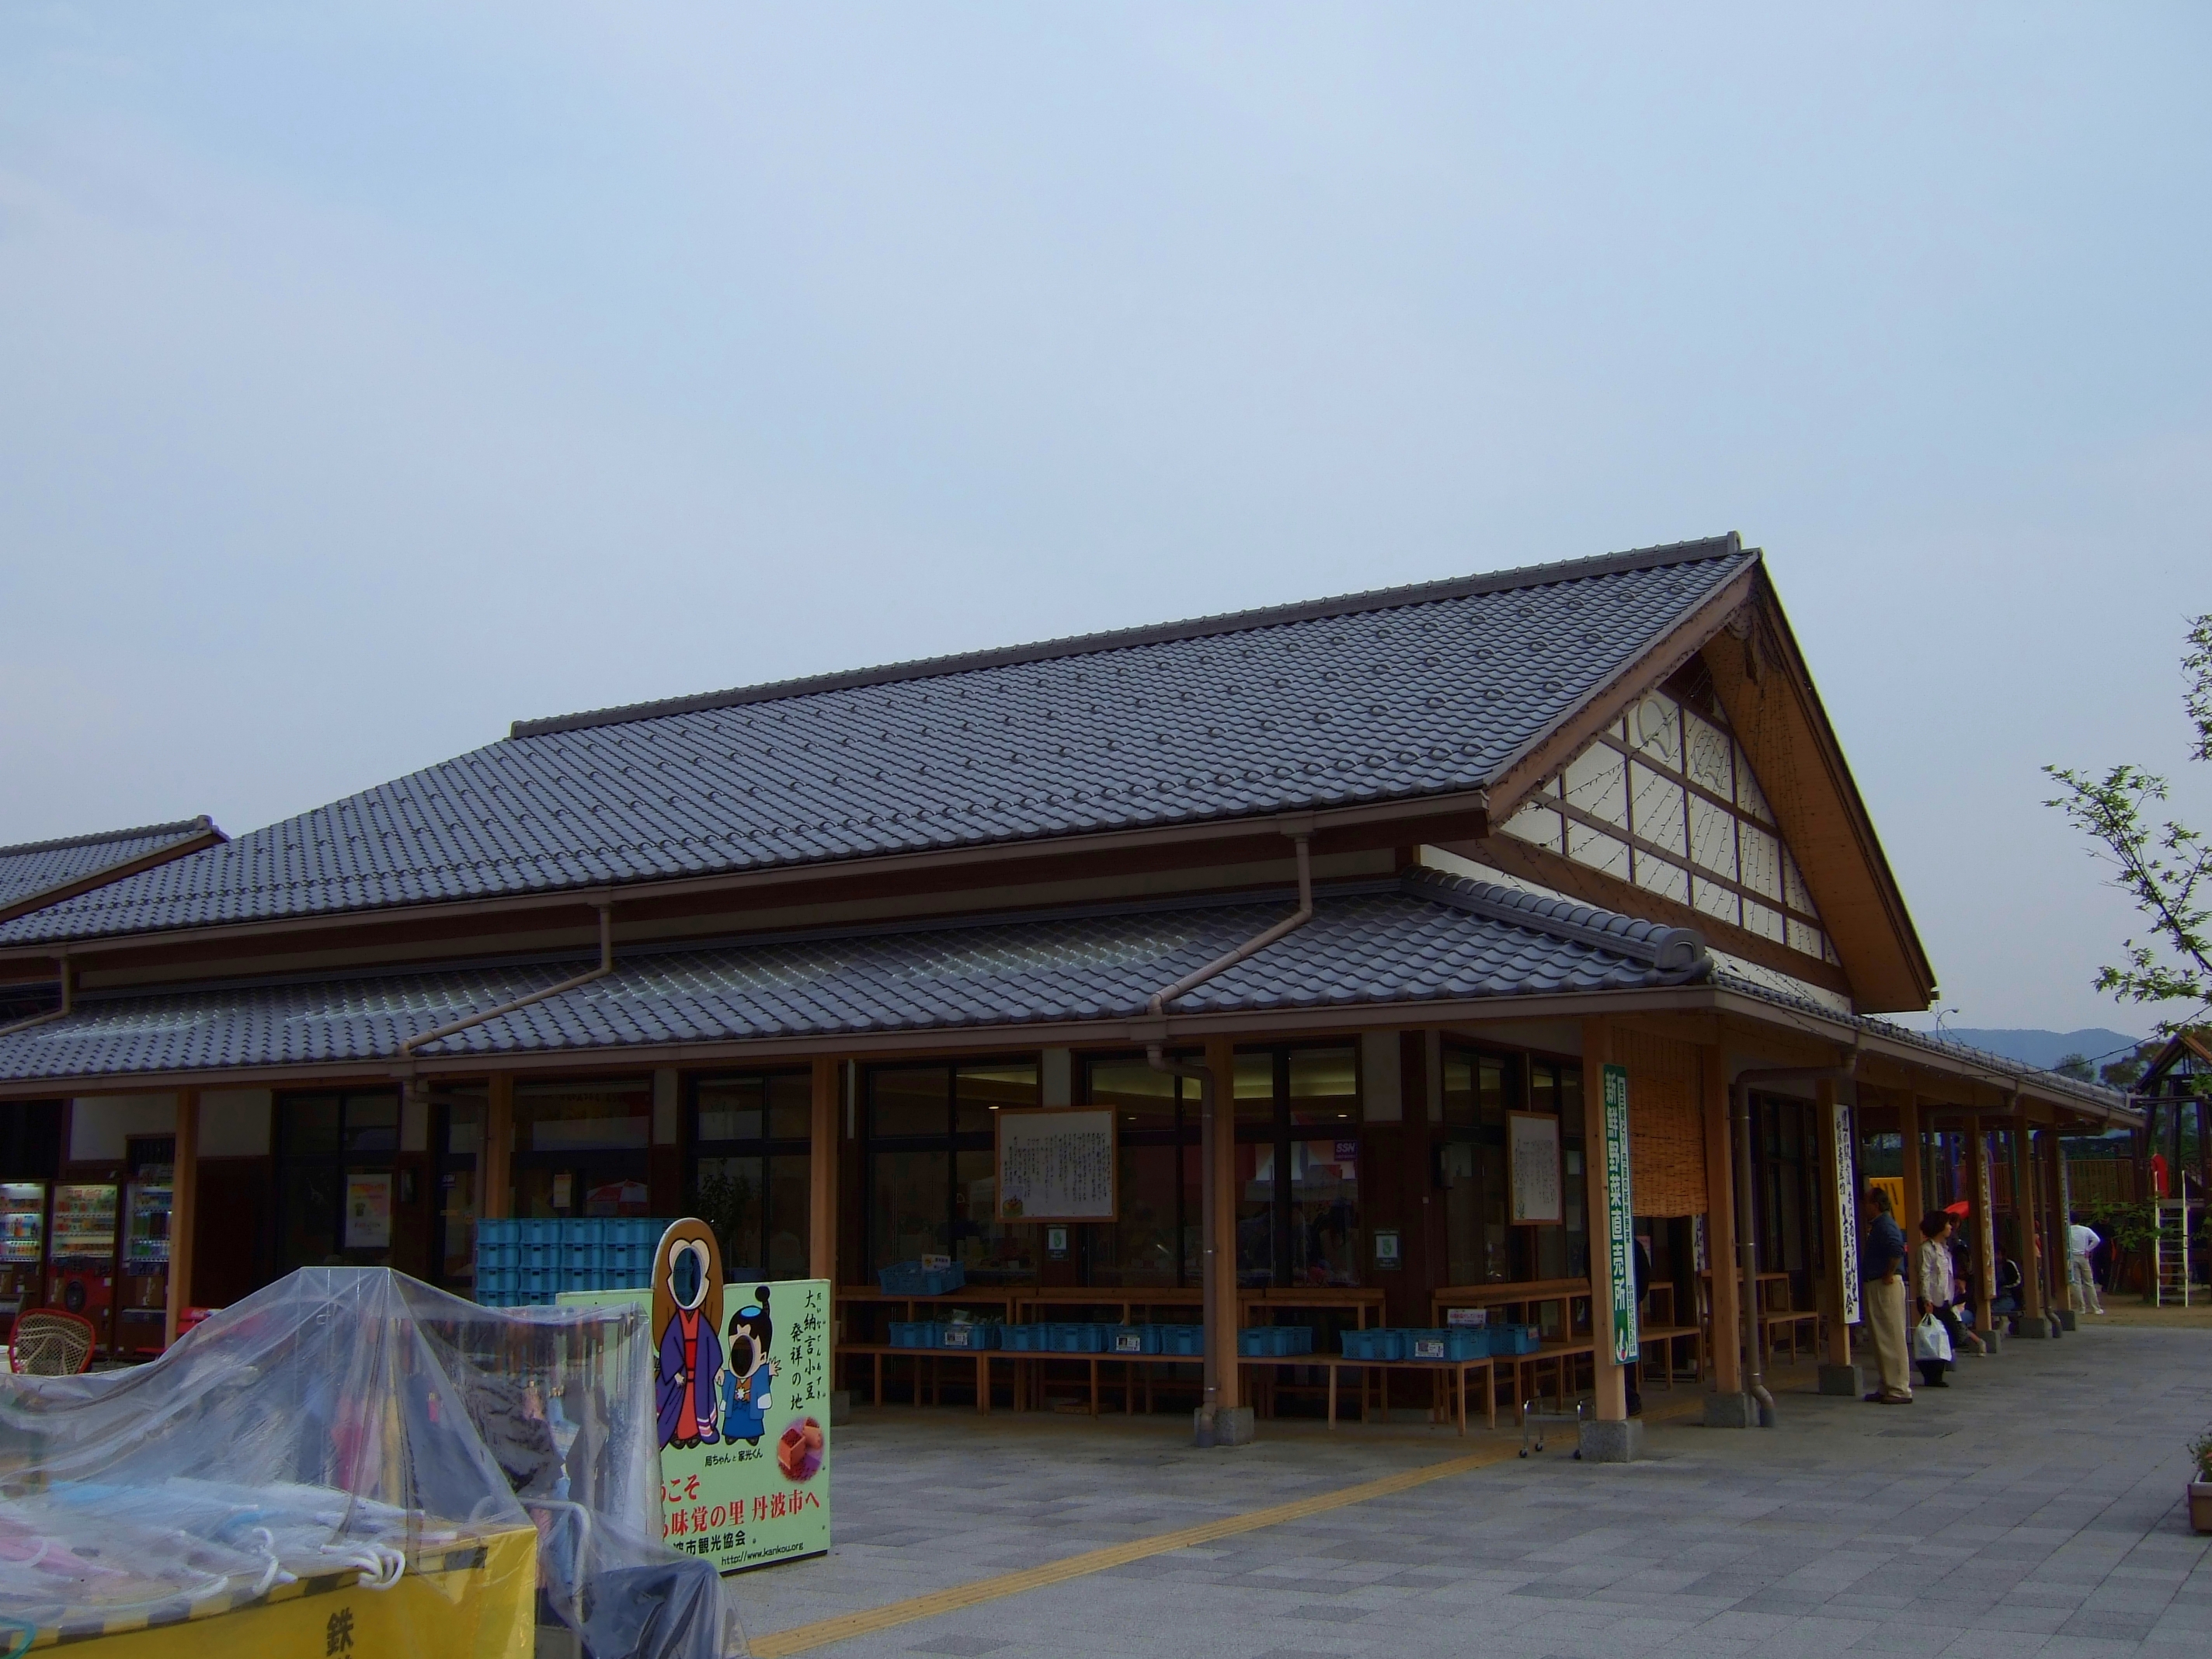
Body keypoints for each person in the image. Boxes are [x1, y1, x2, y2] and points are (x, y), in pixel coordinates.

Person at [1858, 1186, 1912, 1404]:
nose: (1864, 1207)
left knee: (1891, 1335)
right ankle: (1887, 1384)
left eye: (1867, 1203)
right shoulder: (1879, 1225)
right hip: (1876, 1283)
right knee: (1881, 1336)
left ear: (1876, 1205)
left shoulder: (1886, 1224)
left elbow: (1897, 1249)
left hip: (1885, 1284)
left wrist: (1889, 1272)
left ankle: (1899, 1388)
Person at [1915, 1211, 1980, 1386]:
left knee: (1949, 1335)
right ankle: (1932, 1374)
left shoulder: (1944, 1248)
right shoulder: (1926, 1249)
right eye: (1947, 1224)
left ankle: (1936, 1373)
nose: (1950, 1227)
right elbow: (1924, 1275)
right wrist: (1926, 1299)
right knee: (1936, 1336)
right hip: (1932, 1300)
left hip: (1945, 1299)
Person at [2067, 1218, 2107, 1314]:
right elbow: (2096, 1240)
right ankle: (2095, 1308)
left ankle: (2081, 1308)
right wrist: (2088, 1249)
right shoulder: (2085, 1230)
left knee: (2076, 1283)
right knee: (2089, 1282)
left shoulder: (2067, 1230)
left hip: (2072, 1257)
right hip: (2084, 1257)